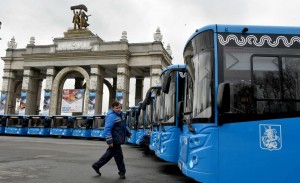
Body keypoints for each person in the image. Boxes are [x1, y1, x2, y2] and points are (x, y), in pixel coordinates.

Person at [92, 101, 131, 179]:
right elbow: (107, 129)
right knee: (119, 156)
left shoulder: (121, 115)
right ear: (113, 108)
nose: (119, 109)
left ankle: (96, 165)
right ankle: (122, 172)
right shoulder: (111, 116)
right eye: (117, 108)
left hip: (118, 138)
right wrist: (109, 141)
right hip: (114, 140)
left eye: (120, 107)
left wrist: (128, 133)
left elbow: (123, 126)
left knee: (109, 154)